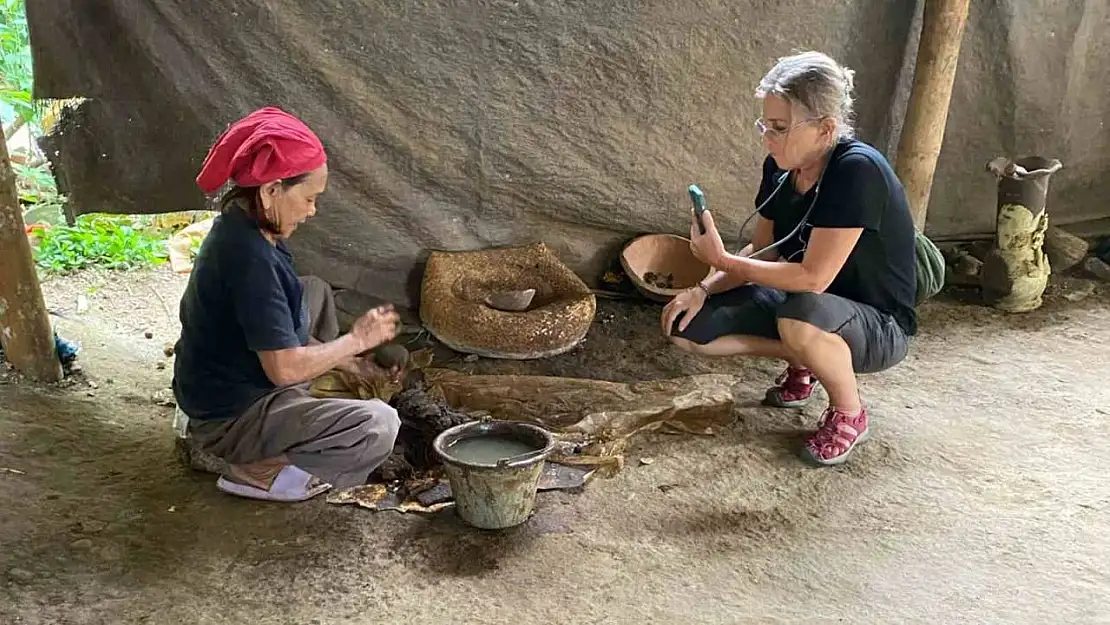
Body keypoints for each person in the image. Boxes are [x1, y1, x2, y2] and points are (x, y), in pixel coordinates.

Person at [661, 51, 917, 466]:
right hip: (804, 308)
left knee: (800, 313)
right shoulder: (780, 168)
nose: (768, 137)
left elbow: (814, 277)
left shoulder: (857, 171)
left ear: (825, 128)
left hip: (878, 325)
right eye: (765, 125)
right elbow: (764, 252)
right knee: (686, 327)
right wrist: (702, 288)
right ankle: (807, 358)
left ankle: (850, 412)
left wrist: (722, 261)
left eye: (779, 128)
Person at [172, 106, 404, 502]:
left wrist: (355, 363)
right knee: (380, 425)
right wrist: (354, 340)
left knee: (312, 290)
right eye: (310, 198)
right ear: (271, 190)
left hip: (218, 381)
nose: (313, 211)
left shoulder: (241, 224)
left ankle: (296, 416)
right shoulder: (250, 261)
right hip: (229, 416)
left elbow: (276, 329)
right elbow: (283, 369)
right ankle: (256, 470)